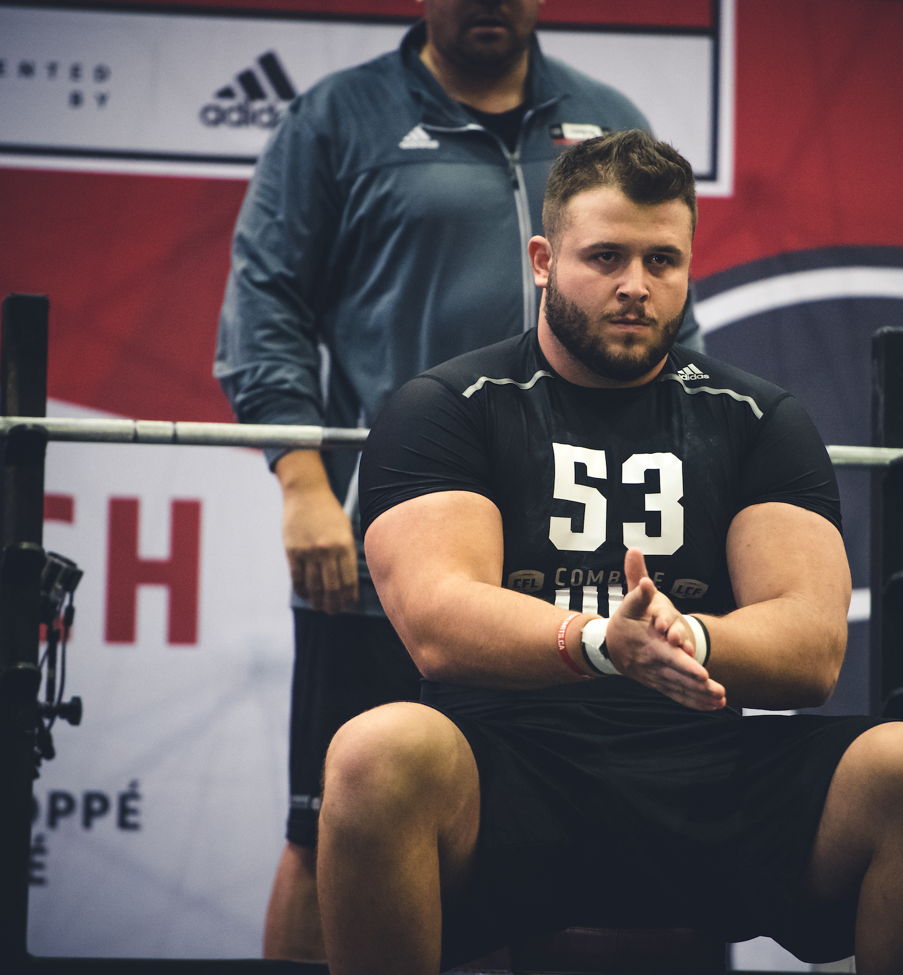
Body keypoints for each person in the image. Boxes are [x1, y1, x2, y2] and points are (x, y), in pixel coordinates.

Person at [320, 130, 903, 975]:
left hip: (709, 774)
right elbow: (437, 621)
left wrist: (690, 640)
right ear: (541, 258)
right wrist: (604, 644)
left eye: (663, 261)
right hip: (508, 775)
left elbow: (812, 645)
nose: (636, 286)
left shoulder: (757, 418)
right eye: (605, 256)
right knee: (375, 752)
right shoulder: (449, 407)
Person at [213, 0, 701, 961]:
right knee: (329, 831)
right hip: (396, 540)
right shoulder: (339, 120)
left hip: (570, 552)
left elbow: (671, 326)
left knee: (578, 830)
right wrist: (304, 481)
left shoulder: (607, 120)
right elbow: (263, 304)